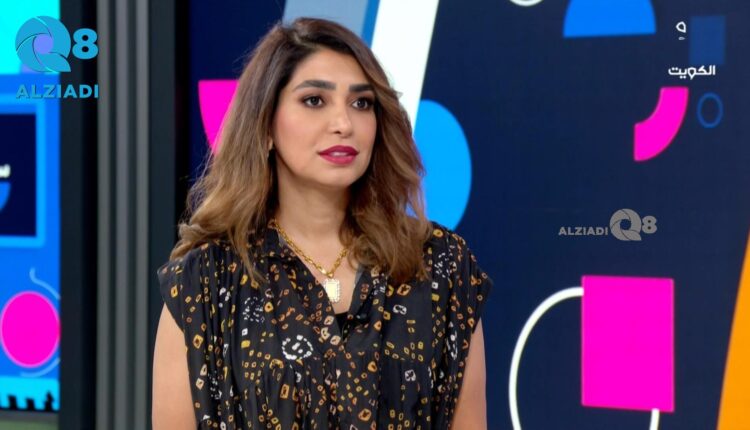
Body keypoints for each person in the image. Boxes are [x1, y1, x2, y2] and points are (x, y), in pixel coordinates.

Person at [152, 17, 493, 430]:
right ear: (266, 125)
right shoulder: (204, 281)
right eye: (314, 100)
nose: (344, 124)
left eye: (361, 103)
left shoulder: (440, 266)